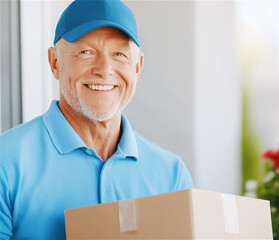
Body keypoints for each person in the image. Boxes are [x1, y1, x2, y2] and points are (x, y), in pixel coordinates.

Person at [0, 0, 194, 238]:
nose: (104, 69)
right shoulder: (6, 161)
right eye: (86, 52)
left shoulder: (171, 174)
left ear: (137, 67)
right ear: (55, 63)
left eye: (119, 54)